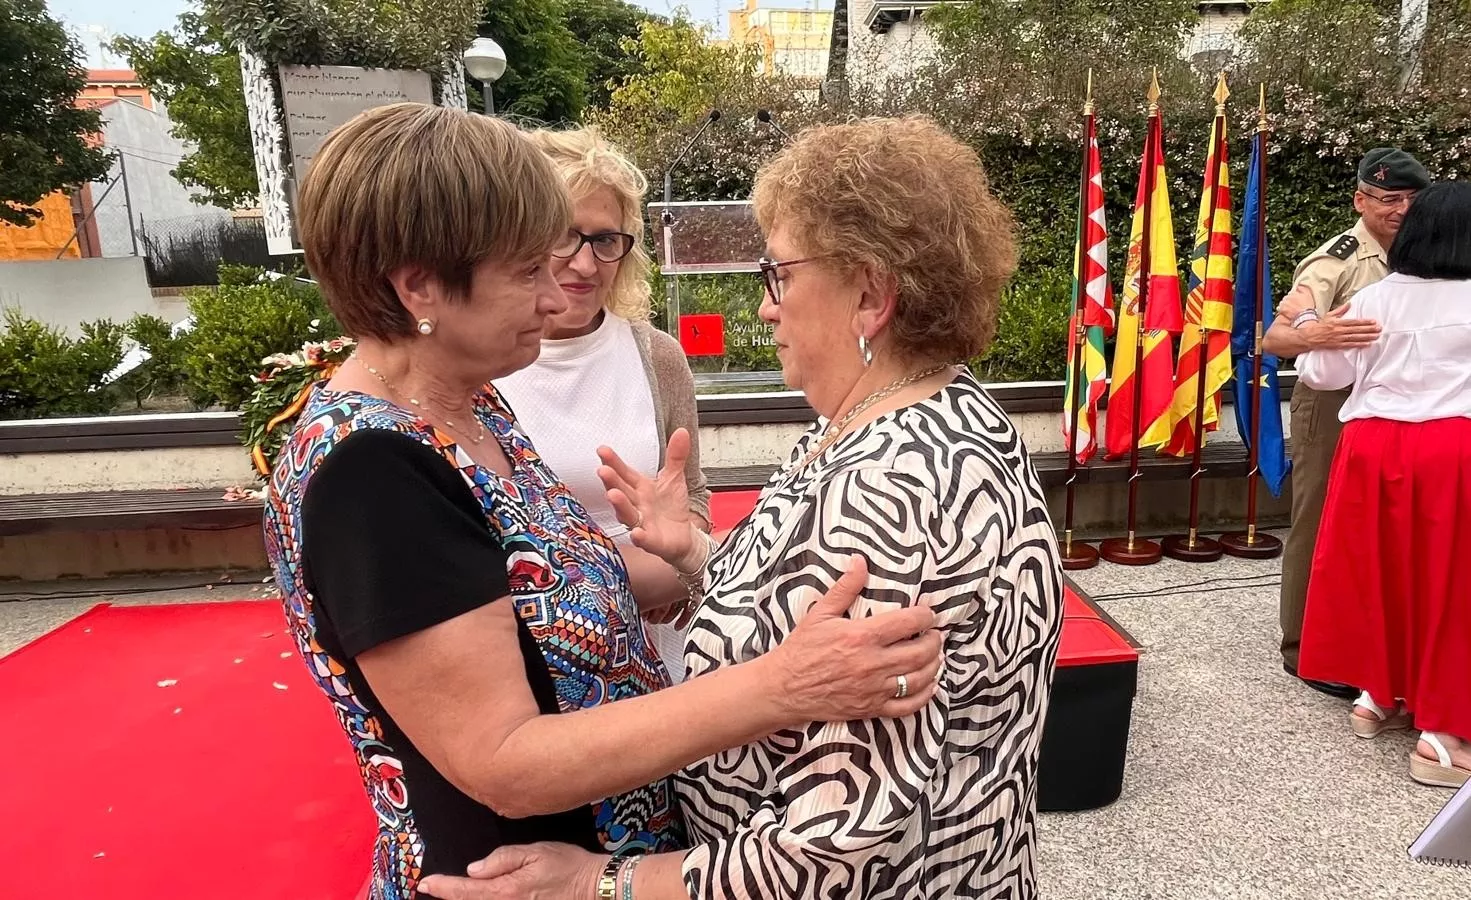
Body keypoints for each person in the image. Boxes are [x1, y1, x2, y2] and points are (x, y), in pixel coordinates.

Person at [261, 102, 944, 899]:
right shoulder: (374, 470)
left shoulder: (472, 406)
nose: (556, 299)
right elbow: (506, 762)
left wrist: (692, 558)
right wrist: (783, 685)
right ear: (420, 287)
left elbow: (544, 594)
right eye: (527, 272)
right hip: (521, 876)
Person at [420, 115, 1064, 900]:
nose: (765, 307)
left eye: (778, 274)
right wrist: (693, 555)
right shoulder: (895, 419)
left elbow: (832, 844)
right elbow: (801, 607)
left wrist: (599, 883)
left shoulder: (893, 482)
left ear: (869, 295)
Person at [494, 126, 709, 681]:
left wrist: (681, 566)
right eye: (564, 237)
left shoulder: (656, 355)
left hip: (655, 642)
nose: (586, 265)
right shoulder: (484, 360)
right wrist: (648, 577)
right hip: (537, 653)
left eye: (605, 241)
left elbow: (691, 492)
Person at [1294, 181, 1471, 788]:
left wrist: (1311, 324)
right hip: (1452, 446)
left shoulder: (1373, 299)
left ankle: (1378, 694)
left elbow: (1320, 373)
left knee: (1378, 570)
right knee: (1452, 584)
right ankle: (1444, 733)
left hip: (1371, 445)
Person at [1261, 147, 1428, 698]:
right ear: (1360, 200)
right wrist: (1313, 334)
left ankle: (1362, 643)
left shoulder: (1428, 252)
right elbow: (1275, 337)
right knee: (1317, 519)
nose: (1402, 210)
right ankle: (1302, 648)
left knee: (1373, 526)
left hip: (1394, 410)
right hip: (1332, 404)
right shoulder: (1337, 260)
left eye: (1412, 199)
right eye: (1389, 199)